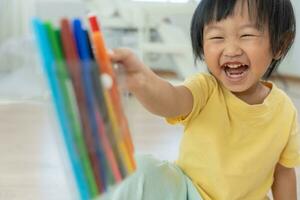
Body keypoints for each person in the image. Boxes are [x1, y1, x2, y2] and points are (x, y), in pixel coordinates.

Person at [101, 0, 300, 199]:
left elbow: (283, 172)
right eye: (217, 36)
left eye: (246, 35)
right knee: (140, 168)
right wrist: (142, 80)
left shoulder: (285, 110)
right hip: (189, 194)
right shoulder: (206, 88)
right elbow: (171, 100)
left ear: (280, 45)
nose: (231, 50)